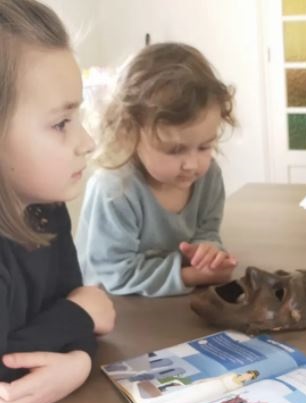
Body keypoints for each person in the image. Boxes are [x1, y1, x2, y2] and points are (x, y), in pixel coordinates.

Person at [0, 0, 115, 403]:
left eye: (77, 116)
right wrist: (80, 316)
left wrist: (79, 361)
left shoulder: (48, 210)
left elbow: (76, 314)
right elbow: (81, 312)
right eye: (61, 123)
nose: (87, 142)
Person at [75, 42, 238, 297]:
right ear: (129, 135)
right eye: (174, 150)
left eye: (205, 147)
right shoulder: (115, 190)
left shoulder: (209, 177)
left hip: (165, 302)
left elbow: (207, 231)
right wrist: (190, 276)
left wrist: (207, 252)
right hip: (109, 305)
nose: (192, 164)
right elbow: (115, 274)